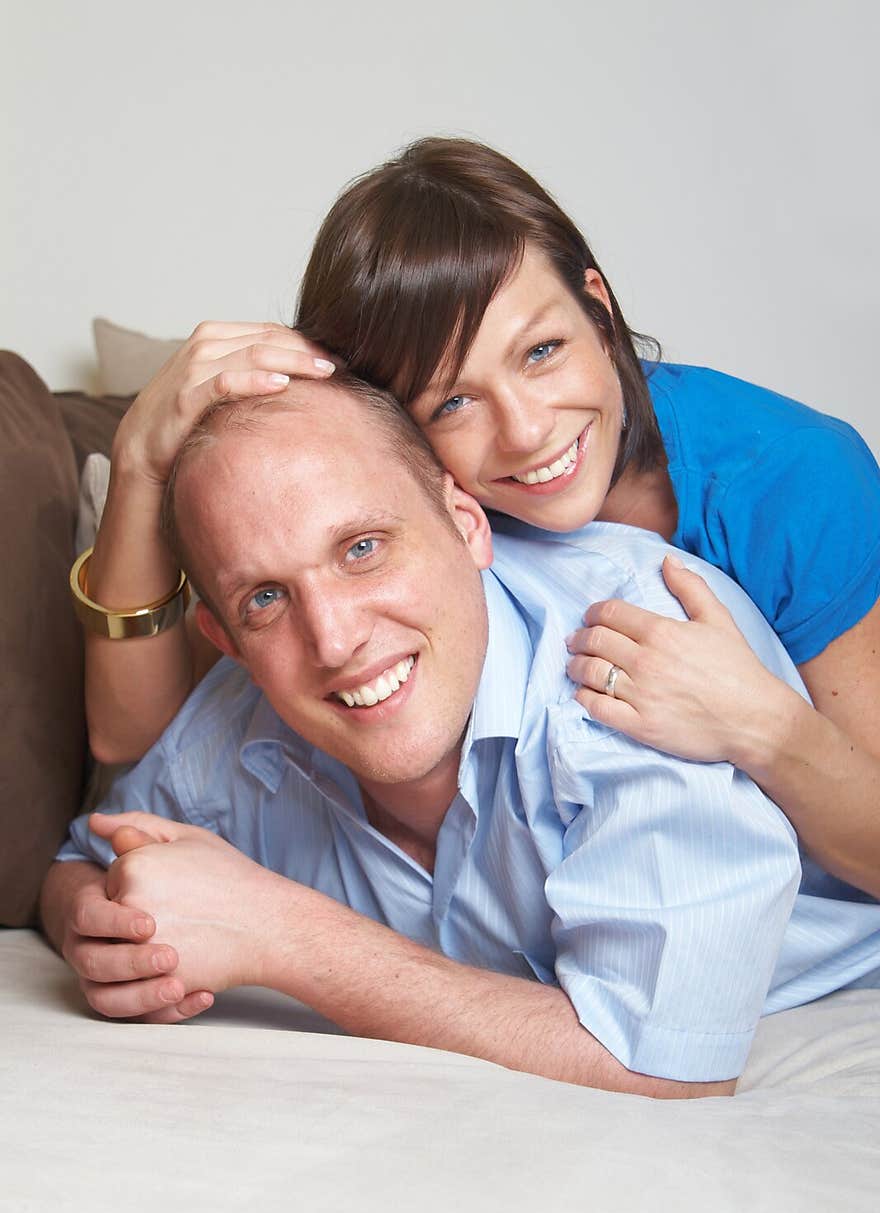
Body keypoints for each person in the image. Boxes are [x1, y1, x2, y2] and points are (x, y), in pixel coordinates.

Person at [75, 138, 880, 896]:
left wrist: (762, 728)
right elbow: (133, 738)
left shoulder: (788, 481)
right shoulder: (384, 517)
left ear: (596, 310)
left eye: (541, 352)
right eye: (454, 400)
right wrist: (143, 463)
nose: (528, 430)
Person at [43, 375, 880, 1097]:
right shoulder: (239, 716)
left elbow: (664, 1071)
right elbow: (87, 857)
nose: (333, 640)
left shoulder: (638, 660)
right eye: (265, 598)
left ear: (466, 522)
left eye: (362, 548)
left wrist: (282, 935)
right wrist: (102, 931)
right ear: (226, 640)